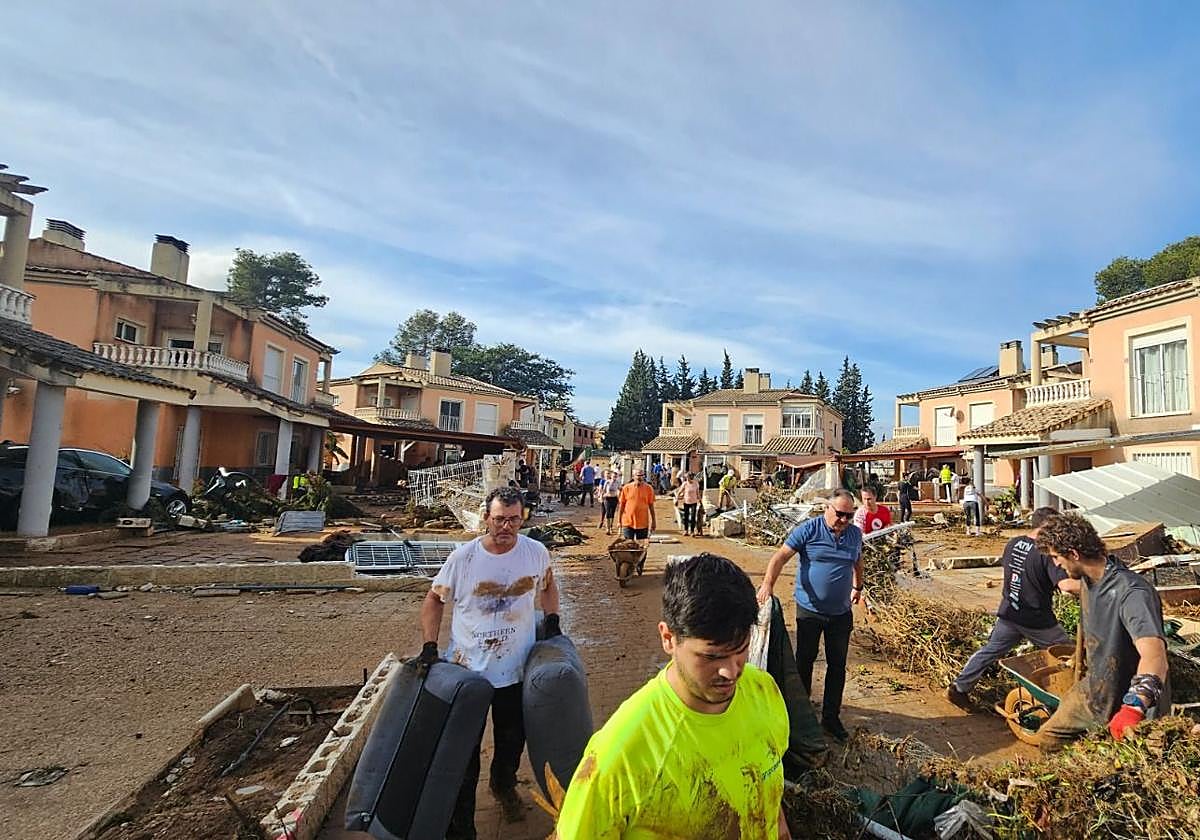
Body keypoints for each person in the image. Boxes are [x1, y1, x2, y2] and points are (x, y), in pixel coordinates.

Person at [555, 554, 791, 839]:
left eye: (740, 649)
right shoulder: (620, 754)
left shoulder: (764, 691)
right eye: (711, 656)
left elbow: (770, 797)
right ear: (668, 638)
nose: (731, 672)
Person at [418, 486, 562, 838]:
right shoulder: (463, 559)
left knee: (512, 740)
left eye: (514, 520)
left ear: (522, 518)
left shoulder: (535, 553)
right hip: (469, 674)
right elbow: (434, 601)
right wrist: (429, 646)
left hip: (514, 671)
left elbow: (548, 587)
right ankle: (462, 824)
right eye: (499, 519)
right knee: (464, 754)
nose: (506, 527)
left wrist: (553, 618)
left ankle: (503, 785)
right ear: (486, 518)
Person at [1033, 513, 1170, 751]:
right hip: (1095, 691)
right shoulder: (1088, 579)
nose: (1055, 564)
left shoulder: (1133, 594)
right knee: (1050, 738)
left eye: (1056, 557)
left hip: (1130, 701)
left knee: (1129, 769)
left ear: (1074, 554)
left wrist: (1133, 707)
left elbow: (1155, 657)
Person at [757, 490, 863, 742]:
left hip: (840, 614)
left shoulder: (854, 534)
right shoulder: (809, 530)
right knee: (805, 660)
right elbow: (780, 556)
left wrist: (858, 587)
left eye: (850, 515)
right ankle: (801, 715)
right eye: (840, 514)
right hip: (810, 611)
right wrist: (767, 585)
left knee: (837, 666)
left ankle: (830, 718)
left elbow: (858, 560)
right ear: (827, 508)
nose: (844, 520)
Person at [947, 508, 1080, 709]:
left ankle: (959, 687)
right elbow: (1067, 586)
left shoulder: (1013, 544)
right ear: (1047, 527)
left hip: (1009, 612)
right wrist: (1098, 585)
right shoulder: (1046, 553)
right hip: (1036, 620)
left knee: (989, 651)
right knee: (1068, 652)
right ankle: (1071, 696)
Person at [618, 468, 657, 540]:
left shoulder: (649, 488)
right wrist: (619, 521)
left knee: (641, 546)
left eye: (642, 475)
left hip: (643, 523)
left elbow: (651, 507)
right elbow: (621, 506)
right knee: (628, 545)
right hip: (628, 522)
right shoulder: (626, 488)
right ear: (633, 476)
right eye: (638, 475)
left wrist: (654, 522)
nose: (640, 477)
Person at [676, 471, 702, 536]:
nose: (688, 478)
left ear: (692, 477)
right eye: (687, 477)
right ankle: (686, 530)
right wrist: (677, 499)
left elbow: (698, 493)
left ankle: (692, 531)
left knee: (693, 516)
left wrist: (700, 501)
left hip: (694, 502)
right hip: (686, 502)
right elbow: (679, 492)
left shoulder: (696, 484)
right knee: (686, 516)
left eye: (689, 477)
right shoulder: (685, 484)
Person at [599, 469, 621, 534]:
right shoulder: (607, 482)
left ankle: (611, 527)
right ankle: (608, 528)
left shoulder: (617, 482)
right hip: (607, 498)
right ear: (611, 476)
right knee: (608, 513)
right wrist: (601, 496)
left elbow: (620, 489)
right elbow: (603, 490)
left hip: (614, 498)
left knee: (612, 513)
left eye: (615, 476)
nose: (614, 478)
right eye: (613, 476)